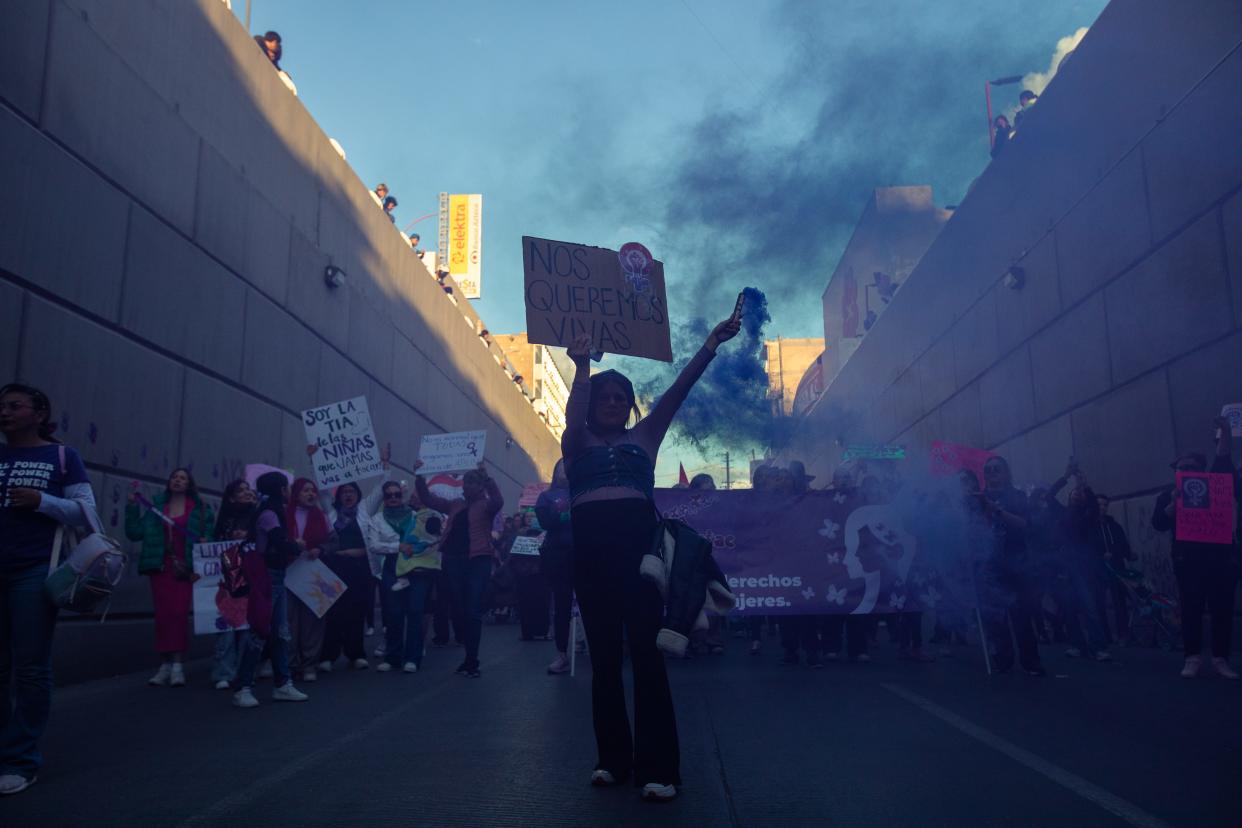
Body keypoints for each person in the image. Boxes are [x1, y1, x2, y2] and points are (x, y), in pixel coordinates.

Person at [562, 307, 740, 802]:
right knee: (603, 661)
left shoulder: (645, 438)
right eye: (606, 396)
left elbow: (677, 393)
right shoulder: (574, 443)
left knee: (646, 657)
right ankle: (611, 761)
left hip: (640, 560)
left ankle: (658, 769)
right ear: (594, 401)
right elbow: (574, 414)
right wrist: (579, 367)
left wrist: (710, 344)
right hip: (592, 561)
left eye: (622, 398)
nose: (615, 403)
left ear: (630, 406)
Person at [0, 383, 97, 796]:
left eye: (15, 406)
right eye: (1, 406)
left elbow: (87, 514)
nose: (5, 412)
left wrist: (43, 501)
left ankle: (20, 760)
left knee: (30, 666)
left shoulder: (61, 457)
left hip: (35, 572)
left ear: (39, 414)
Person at [1152, 417, 1239, 679]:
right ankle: (1192, 657)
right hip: (1188, 559)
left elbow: (1223, 460)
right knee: (1191, 607)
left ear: (1202, 470)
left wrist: (1224, 431)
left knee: (1222, 607)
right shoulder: (1168, 494)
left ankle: (1221, 658)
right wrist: (1173, 506)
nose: (1185, 470)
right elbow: (1158, 523)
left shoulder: (1216, 486)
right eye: (1181, 467)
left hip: (1220, 559)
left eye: (1191, 467)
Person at [126, 468, 215, 688]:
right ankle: (164, 664)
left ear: (189, 484)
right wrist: (131, 507)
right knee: (163, 615)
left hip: (185, 568)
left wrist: (206, 541)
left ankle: (177, 665)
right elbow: (135, 533)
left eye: (182, 478)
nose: (177, 480)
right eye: (175, 477)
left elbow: (209, 534)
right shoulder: (156, 507)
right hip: (160, 566)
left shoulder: (199, 509)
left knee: (178, 613)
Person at [414, 461, 504, 678]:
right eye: (464, 484)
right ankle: (467, 654)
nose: (464, 487)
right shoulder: (456, 505)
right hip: (453, 560)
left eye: (469, 484)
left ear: (479, 487)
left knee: (472, 609)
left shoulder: (486, 506)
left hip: (477, 560)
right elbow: (428, 499)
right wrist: (419, 476)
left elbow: (498, 501)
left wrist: (488, 479)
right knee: (460, 608)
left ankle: (472, 660)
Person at [232, 472, 309, 707]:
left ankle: (282, 683)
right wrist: (296, 545)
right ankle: (243, 686)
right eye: (286, 487)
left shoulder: (272, 512)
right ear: (279, 489)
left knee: (280, 633)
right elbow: (279, 543)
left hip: (276, 577)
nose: (288, 492)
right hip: (267, 578)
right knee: (259, 632)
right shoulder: (268, 514)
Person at [980, 456, 1045, 676]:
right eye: (988, 470)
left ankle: (1030, 661)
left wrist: (997, 511)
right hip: (990, 565)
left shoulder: (1017, 497)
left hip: (1017, 563)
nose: (992, 473)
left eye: (997, 469)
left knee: (1022, 614)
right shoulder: (978, 499)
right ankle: (1002, 660)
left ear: (1006, 472)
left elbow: (1025, 525)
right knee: (996, 616)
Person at [319, 480, 380, 673]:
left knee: (356, 611)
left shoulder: (364, 511)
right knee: (333, 611)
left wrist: (386, 467)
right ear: (338, 496)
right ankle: (328, 655)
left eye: (351, 491)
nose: (348, 495)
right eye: (344, 492)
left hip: (359, 570)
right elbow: (322, 488)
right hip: (334, 568)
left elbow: (379, 491)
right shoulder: (331, 513)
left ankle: (357, 654)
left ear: (358, 494)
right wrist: (315, 462)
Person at [211, 480, 258, 690]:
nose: (247, 492)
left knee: (247, 627)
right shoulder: (225, 519)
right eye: (241, 490)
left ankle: (244, 671)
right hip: (228, 578)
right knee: (226, 625)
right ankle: (223, 671)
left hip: (252, 578)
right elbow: (215, 544)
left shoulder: (258, 516)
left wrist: (249, 536)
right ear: (231, 497)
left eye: (248, 489)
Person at [285, 478, 332, 683]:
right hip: (288, 572)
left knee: (312, 620)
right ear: (296, 493)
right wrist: (291, 547)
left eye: (313, 491)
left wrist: (319, 549)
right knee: (289, 620)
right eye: (305, 490)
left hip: (313, 572)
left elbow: (333, 542)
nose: (311, 494)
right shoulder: (284, 515)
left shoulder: (322, 517)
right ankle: (290, 663)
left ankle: (309, 663)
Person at [389, 501, 443, 672]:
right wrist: (397, 546)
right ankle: (392, 657)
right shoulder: (383, 518)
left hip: (422, 570)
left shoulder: (433, 515)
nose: (394, 497)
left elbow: (435, 535)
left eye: (397, 495)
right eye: (390, 495)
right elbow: (375, 543)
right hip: (395, 565)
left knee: (416, 611)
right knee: (395, 613)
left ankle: (413, 657)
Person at [536, 460, 574, 675]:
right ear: (555, 471)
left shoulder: (583, 491)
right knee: (562, 604)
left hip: (584, 553)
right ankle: (562, 654)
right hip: (558, 555)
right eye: (561, 466)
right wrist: (564, 514)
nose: (565, 469)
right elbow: (545, 522)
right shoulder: (546, 497)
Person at [1095, 494, 1134, 643]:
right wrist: (1100, 555)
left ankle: (1122, 633)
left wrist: (1128, 554)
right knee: (1099, 602)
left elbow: (1123, 544)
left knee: (1119, 601)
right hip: (1098, 570)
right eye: (1099, 505)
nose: (1102, 508)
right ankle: (1105, 634)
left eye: (1105, 505)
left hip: (1117, 567)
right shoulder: (1090, 526)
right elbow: (1088, 547)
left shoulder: (1114, 525)